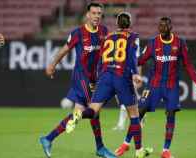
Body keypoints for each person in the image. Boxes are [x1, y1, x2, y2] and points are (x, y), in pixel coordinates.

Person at [115, 17, 196, 158]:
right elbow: (140, 60)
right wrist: (125, 62)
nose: (162, 27)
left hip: (171, 86)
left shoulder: (180, 43)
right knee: (139, 112)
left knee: (171, 114)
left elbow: (188, 65)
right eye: (160, 25)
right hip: (154, 85)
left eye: (165, 25)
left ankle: (165, 150)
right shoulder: (153, 43)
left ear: (170, 27)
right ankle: (126, 144)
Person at [65, 12, 153, 158]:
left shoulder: (108, 36)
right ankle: (139, 151)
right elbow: (132, 56)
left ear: (117, 23)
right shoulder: (133, 37)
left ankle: (79, 114)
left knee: (93, 110)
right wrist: (135, 73)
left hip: (105, 76)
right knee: (134, 115)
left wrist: (100, 77)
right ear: (129, 23)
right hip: (121, 76)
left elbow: (100, 59)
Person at [39, 2, 116, 158]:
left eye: (99, 13)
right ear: (87, 15)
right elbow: (64, 50)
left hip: (95, 78)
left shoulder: (104, 31)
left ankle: (48, 138)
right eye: (94, 13)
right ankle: (100, 148)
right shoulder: (78, 33)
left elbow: (108, 53)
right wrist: (52, 65)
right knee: (94, 111)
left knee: (80, 113)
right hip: (81, 78)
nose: (96, 16)